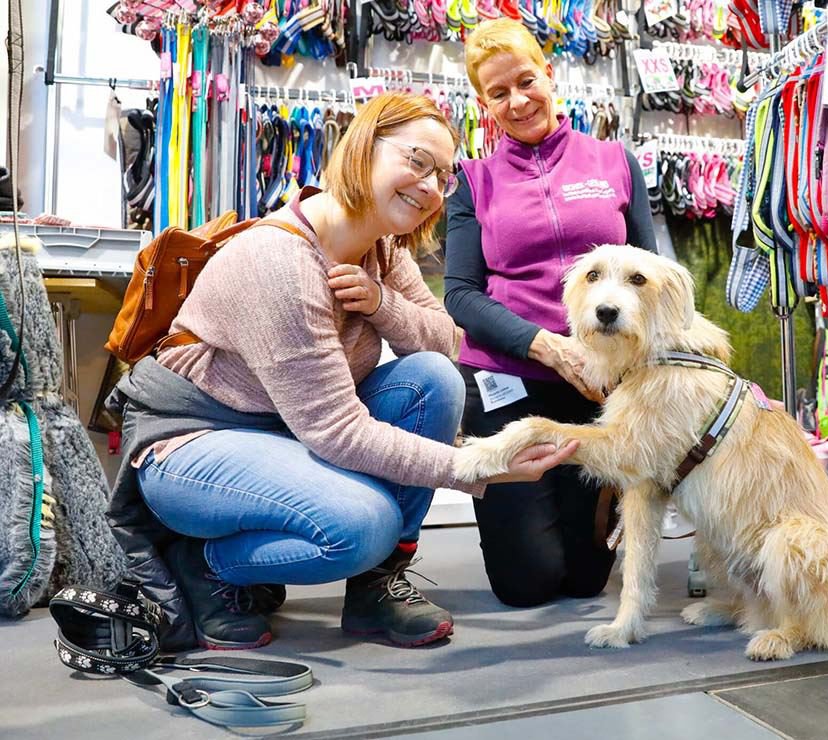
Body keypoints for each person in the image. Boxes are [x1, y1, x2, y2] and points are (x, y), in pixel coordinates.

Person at [106, 92, 578, 652]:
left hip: (281, 429)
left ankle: (376, 588)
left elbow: (449, 340)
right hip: (191, 442)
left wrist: (381, 304)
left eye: (444, 175)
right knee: (363, 525)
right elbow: (336, 431)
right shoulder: (281, 263)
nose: (430, 185)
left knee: (431, 378)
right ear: (361, 150)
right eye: (416, 160)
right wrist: (483, 466)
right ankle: (204, 563)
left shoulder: (378, 249)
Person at [444, 19, 659, 607]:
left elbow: (651, 274)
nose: (517, 101)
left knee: (587, 580)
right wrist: (550, 346)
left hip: (601, 390)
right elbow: (460, 294)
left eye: (525, 81)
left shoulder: (615, 161)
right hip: (509, 385)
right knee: (529, 585)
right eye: (497, 92)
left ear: (549, 75)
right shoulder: (472, 181)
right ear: (482, 103)